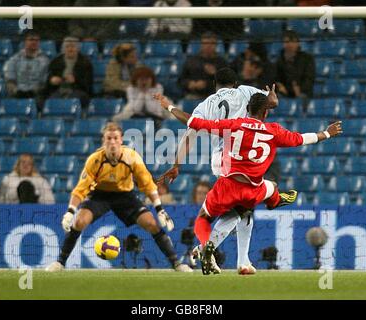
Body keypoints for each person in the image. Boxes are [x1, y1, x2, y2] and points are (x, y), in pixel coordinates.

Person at [156, 90, 343, 274]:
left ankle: (208, 247)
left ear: (247, 109)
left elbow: (193, 122)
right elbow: (302, 139)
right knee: (267, 191)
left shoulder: (233, 125)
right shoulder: (274, 131)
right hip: (253, 189)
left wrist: (169, 106)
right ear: (265, 113)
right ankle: (273, 204)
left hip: (227, 185)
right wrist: (326, 133)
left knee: (204, 219)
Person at [155, 67, 277, 275]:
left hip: (220, 160)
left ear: (215, 84)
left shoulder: (207, 104)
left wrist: (177, 164)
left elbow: (190, 129)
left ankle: (241, 260)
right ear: (235, 82)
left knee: (242, 209)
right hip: (242, 158)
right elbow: (270, 102)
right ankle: (209, 250)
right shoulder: (245, 91)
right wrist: (272, 96)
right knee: (242, 207)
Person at [45, 122, 192, 272]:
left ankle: (177, 263)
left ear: (121, 140)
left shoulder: (132, 157)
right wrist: (70, 211)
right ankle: (60, 262)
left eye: (115, 138)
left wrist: (160, 209)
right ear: (104, 141)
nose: (112, 142)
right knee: (79, 222)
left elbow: (147, 184)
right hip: (99, 195)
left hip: (125, 196)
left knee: (152, 224)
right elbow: (80, 189)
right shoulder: (95, 160)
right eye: (109, 138)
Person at [46, 36, 93, 109]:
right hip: (58, 90)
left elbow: (88, 84)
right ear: (64, 49)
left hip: (78, 90)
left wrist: (75, 80)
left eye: (73, 46)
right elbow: (48, 81)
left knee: (74, 99)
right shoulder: (55, 62)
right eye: (67, 47)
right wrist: (52, 81)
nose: (70, 49)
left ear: (77, 48)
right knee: (52, 100)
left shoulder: (85, 63)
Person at [179, 32, 228, 99]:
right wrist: (190, 84)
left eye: (212, 43)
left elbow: (227, 83)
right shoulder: (191, 61)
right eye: (205, 43)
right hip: (193, 95)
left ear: (216, 45)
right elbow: (181, 80)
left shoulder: (221, 62)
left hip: (215, 96)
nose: (208, 46)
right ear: (201, 44)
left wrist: (215, 74)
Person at [3, 30, 49, 100]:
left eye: (37, 40)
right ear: (25, 42)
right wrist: (16, 91)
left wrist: (34, 91)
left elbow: (44, 83)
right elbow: (10, 81)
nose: (34, 42)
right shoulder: (14, 60)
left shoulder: (45, 61)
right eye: (31, 40)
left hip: (36, 96)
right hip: (17, 95)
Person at [275, 30, 315, 98]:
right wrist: (280, 86)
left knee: (303, 97)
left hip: (303, 92)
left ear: (298, 43)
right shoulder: (279, 60)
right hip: (284, 92)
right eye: (287, 42)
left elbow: (309, 78)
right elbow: (276, 78)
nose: (290, 44)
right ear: (283, 43)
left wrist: (300, 89)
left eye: (293, 41)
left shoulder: (307, 59)